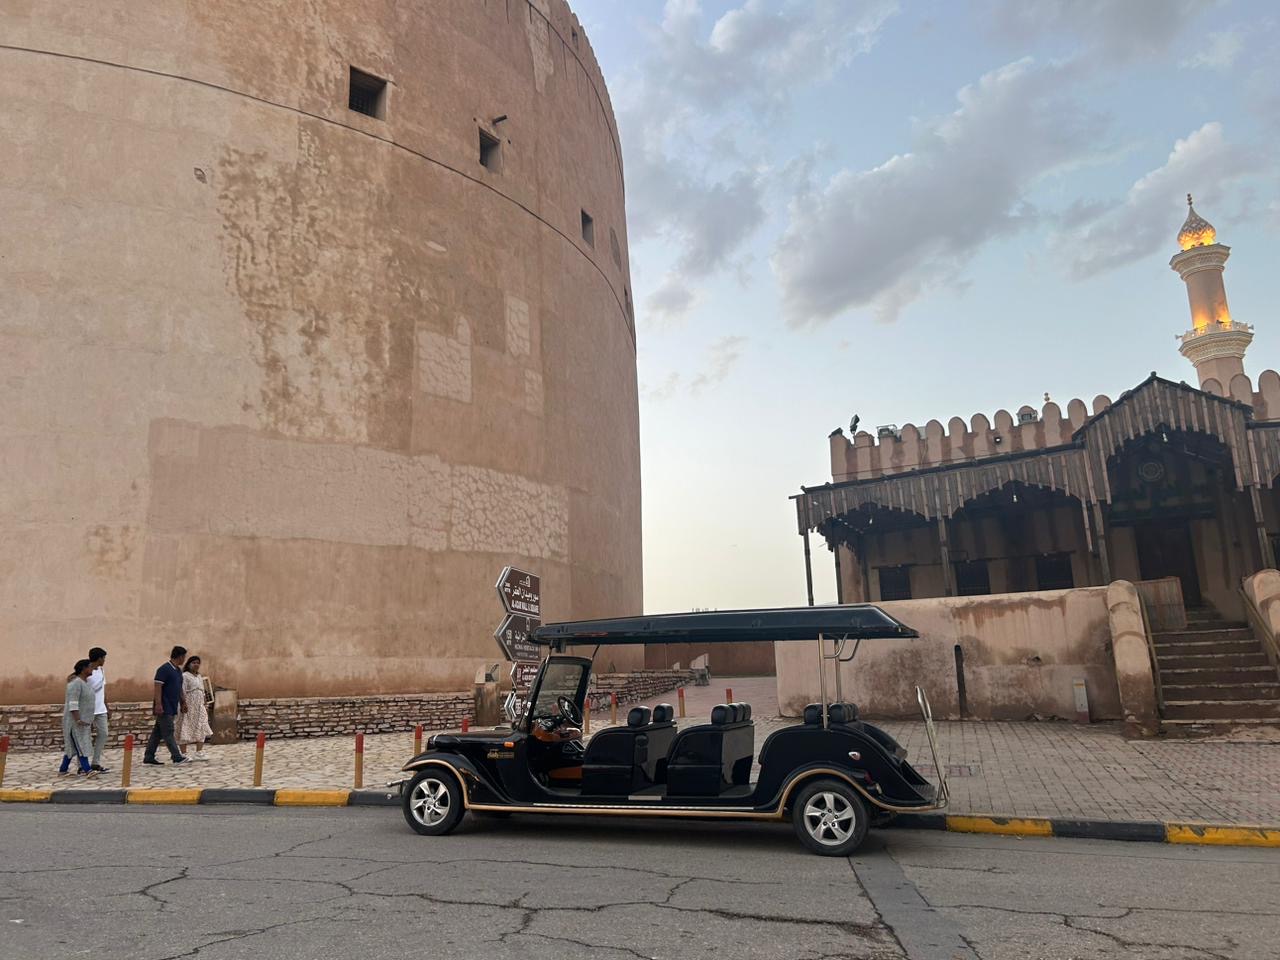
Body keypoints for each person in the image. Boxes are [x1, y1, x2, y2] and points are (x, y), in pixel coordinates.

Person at [143, 645, 191, 766]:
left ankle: (149, 756)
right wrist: (158, 704)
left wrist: (183, 702)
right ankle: (176, 756)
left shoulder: (178, 671)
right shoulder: (164, 669)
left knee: (157, 732)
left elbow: (179, 688)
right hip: (164, 706)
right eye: (184, 657)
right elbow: (158, 687)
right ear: (179, 657)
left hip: (173, 704)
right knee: (169, 731)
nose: (184, 659)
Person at [58, 659, 98, 778]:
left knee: (74, 746)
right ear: (83, 669)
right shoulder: (75, 684)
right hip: (74, 722)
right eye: (90, 667)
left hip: (83, 721)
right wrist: (78, 719)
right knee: (80, 744)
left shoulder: (85, 683)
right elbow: (73, 703)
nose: (92, 669)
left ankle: (63, 770)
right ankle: (87, 770)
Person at [177, 655, 213, 760]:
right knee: (185, 726)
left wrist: (204, 702)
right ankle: (184, 753)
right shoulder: (185, 676)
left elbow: (201, 691)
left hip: (199, 706)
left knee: (201, 725)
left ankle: (199, 751)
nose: (196, 665)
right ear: (189, 664)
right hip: (188, 705)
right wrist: (183, 703)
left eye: (198, 663)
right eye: (194, 662)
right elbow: (182, 690)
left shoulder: (199, 676)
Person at [87, 647, 110, 773]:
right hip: (88, 709)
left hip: (100, 708)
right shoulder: (86, 670)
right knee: (85, 737)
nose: (104, 660)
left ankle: (95, 762)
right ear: (99, 658)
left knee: (103, 734)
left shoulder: (101, 670)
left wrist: (107, 706)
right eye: (104, 658)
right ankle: (83, 764)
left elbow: (103, 690)